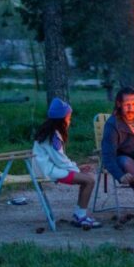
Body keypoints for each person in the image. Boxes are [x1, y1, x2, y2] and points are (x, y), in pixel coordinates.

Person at [32, 98, 101, 229]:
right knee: (89, 181)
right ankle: (80, 216)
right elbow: (60, 160)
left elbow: (58, 158)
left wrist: (77, 168)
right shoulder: (53, 136)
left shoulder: (49, 132)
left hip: (47, 168)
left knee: (87, 179)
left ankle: (79, 213)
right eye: (68, 117)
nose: (69, 120)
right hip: (48, 171)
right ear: (61, 119)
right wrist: (77, 170)